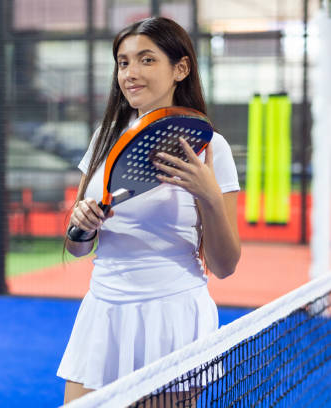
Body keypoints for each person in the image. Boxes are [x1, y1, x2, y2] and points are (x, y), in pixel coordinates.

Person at [57, 17, 241, 403]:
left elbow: (224, 266)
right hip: (102, 313)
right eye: (123, 63)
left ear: (180, 68)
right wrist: (82, 228)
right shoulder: (106, 136)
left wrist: (208, 196)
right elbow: (77, 248)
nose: (130, 73)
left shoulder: (212, 149)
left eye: (146, 60)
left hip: (171, 317)